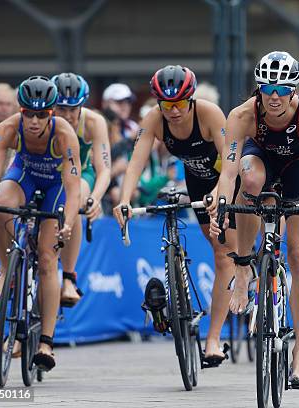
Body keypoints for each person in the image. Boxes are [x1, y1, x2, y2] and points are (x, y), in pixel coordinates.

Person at [210, 51, 299, 388]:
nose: (274, 96)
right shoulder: (242, 114)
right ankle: (245, 268)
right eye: (267, 88)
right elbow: (228, 171)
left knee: (297, 254)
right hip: (259, 160)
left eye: (281, 88)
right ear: (258, 88)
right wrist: (220, 204)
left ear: (293, 90)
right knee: (249, 182)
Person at [112, 65, 235, 366]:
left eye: (180, 104)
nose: (174, 111)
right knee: (218, 250)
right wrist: (125, 199)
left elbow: (231, 162)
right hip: (197, 181)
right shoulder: (154, 119)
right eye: (167, 105)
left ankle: (214, 339)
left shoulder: (209, 114)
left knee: (226, 254)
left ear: (191, 100)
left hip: (228, 180)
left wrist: (219, 192)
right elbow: (135, 163)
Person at [0, 76, 81, 371]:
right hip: (24, 176)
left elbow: (73, 188)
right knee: (2, 203)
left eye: (41, 115)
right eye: (28, 113)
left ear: (51, 114)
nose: (33, 121)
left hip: (56, 186)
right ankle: (5, 270)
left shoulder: (65, 134)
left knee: (47, 257)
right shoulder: (6, 128)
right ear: (20, 111)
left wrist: (67, 222)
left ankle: (46, 341)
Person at [51, 73, 112, 307]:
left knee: (74, 201)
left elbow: (104, 169)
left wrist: (95, 199)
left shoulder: (94, 122)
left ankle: (68, 276)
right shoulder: (43, 120)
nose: (66, 115)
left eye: (72, 109)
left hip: (81, 174)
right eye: (61, 109)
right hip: (49, 174)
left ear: (82, 106)